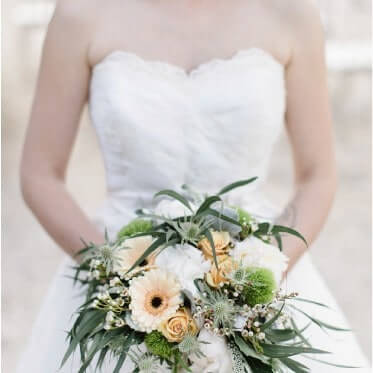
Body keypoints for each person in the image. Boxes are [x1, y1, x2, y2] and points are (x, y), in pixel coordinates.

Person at [18, 0, 369, 371]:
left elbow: (318, 175)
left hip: (251, 264)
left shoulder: (291, 13)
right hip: (120, 271)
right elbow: (40, 175)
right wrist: (121, 278)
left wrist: (254, 281)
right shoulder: (81, 13)